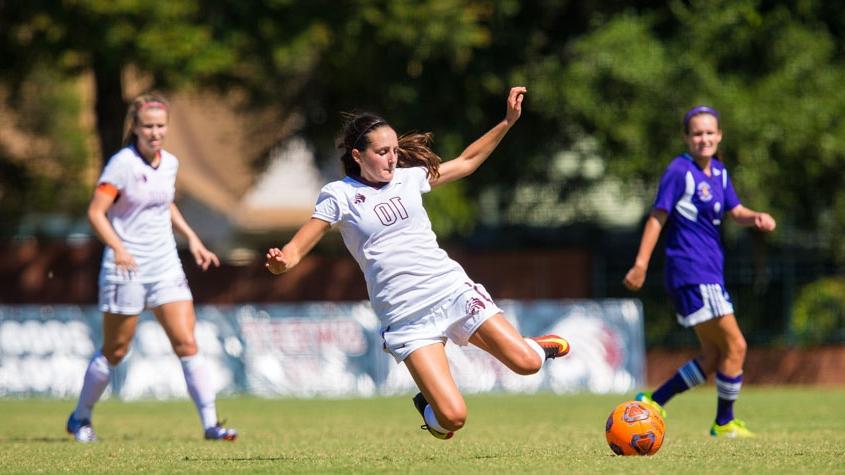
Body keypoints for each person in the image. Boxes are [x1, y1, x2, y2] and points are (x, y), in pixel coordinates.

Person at [265, 86, 570, 440]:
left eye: (395, 150)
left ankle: (535, 346)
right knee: (452, 420)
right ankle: (428, 404)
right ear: (358, 155)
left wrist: (506, 121)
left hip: (449, 289)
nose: (392, 159)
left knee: (528, 364)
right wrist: (280, 262)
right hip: (406, 316)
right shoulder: (339, 195)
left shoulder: (409, 179)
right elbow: (297, 249)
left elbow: (467, 162)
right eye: (382, 152)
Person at [66, 93, 237, 442]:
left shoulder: (170, 163)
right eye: (148, 126)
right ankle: (80, 418)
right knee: (116, 350)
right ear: (136, 127)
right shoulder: (122, 165)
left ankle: (211, 425)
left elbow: (165, 204)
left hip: (164, 265)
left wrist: (192, 237)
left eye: (160, 126)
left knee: (187, 342)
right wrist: (118, 247)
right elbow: (96, 213)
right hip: (126, 268)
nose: (155, 132)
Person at [623, 105, 776, 438]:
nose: (703, 139)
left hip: (708, 272)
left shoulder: (719, 173)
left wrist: (755, 218)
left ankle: (653, 400)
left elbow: (735, 211)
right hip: (693, 270)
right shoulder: (680, 171)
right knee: (736, 346)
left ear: (719, 136)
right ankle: (724, 422)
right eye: (697, 133)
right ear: (686, 138)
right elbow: (657, 217)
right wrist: (641, 263)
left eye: (709, 132)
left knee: (713, 355)